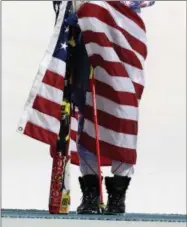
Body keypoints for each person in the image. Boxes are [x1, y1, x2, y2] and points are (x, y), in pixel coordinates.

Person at [52, 0, 155, 215]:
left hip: (122, 42)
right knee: (86, 116)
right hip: (85, 41)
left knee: (122, 116)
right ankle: (91, 194)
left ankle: (117, 196)